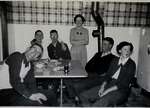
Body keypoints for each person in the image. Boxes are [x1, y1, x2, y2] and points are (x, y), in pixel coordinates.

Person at [79, 41, 136, 107]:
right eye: (125, 49)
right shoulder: (115, 60)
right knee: (83, 95)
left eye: (129, 50)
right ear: (120, 50)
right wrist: (102, 87)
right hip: (109, 84)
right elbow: (108, 75)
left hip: (121, 90)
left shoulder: (131, 64)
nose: (127, 52)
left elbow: (123, 84)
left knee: (101, 102)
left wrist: (106, 91)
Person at [66, 37, 116, 105]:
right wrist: (88, 71)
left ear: (110, 46)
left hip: (98, 77)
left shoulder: (113, 58)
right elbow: (88, 65)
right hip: (88, 74)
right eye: (102, 44)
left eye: (105, 44)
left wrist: (93, 70)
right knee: (68, 79)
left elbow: (103, 71)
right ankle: (76, 97)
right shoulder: (97, 54)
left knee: (77, 85)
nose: (102, 46)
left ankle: (80, 100)